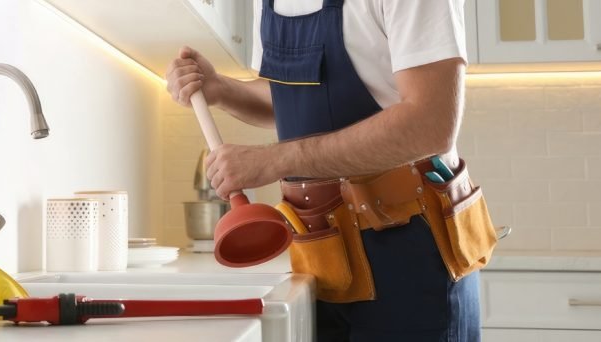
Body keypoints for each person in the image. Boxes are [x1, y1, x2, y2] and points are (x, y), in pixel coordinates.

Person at [166, 0, 480, 341]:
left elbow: (430, 124)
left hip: (411, 253)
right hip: (322, 255)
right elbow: (293, 98)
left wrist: (275, 160)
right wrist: (222, 89)